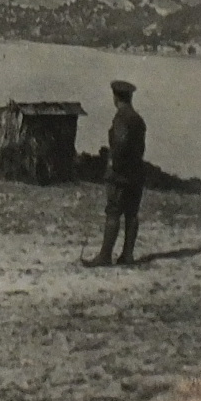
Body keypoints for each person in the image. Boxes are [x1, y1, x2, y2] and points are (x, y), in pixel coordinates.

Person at [82, 80, 146, 267]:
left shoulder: (121, 118)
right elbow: (140, 147)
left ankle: (104, 256)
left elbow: (120, 145)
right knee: (132, 214)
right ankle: (127, 255)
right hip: (136, 172)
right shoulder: (138, 119)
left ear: (116, 97)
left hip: (121, 174)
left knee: (113, 212)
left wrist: (114, 166)